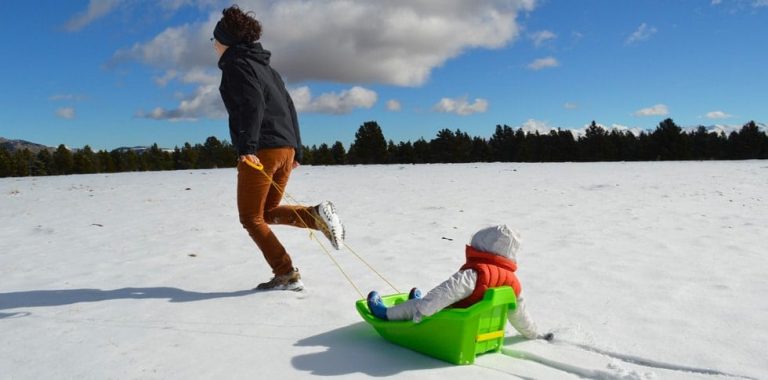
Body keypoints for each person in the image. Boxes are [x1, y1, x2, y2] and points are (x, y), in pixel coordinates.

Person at [214, 5, 344, 291]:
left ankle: (285, 273)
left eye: (215, 39)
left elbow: (252, 104)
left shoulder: (237, 65)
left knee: (251, 218)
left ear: (225, 41)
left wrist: (247, 147)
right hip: (284, 149)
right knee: (269, 211)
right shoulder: (266, 69)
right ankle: (315, 215)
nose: (213, 46)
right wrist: (296, 149)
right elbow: (289, 106)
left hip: (261, 150)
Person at [367, 225, 553, 340]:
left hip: (456, 323)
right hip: (480, 332)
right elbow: (520, 314)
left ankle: (386, 313)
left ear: (482, 248)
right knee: (429, 301)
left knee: (418, 305)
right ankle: (421, 302)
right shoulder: (513, 283)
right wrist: (533, 334)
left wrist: (423, 310)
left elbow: (446, 292)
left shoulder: (477, 273)